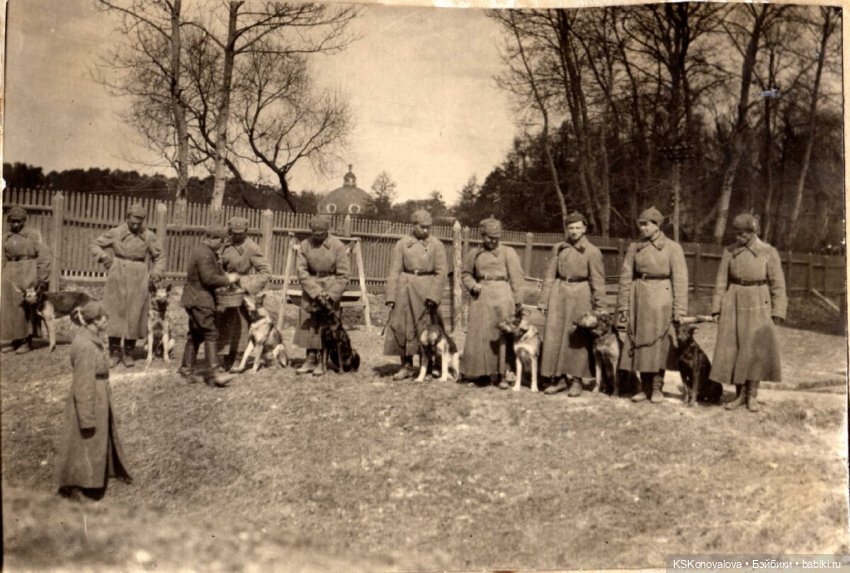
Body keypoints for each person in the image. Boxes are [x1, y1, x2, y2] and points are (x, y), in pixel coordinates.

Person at [56, 300, 132, 501]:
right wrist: (87, 416)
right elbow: (83, 383)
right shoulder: (85, 346)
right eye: (102, 317)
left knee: (95, 440)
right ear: (93, 320)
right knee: (86, 440)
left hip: (97, 393)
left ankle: (96, 476)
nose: (106, 320)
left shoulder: (90, 338)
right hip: (89, 396)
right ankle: (82, 485)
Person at [710, 213, 787, 413]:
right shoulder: (729, 252)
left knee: (755, 350)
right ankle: (739, 394)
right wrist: (717, 307)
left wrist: (778, 310)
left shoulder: (768, 252)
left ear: (753, 232)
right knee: (735, 349)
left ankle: (752, 395)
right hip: (733, 301)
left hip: (759, 301)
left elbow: (778, 284)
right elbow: (720, 282)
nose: (738, 237)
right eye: (735, 233)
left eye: (742, 233)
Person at [616, 207, 688, 403]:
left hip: (662, 298)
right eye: (640, 224)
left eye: (646, 224)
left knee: (659, 345)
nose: (642, 228)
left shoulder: (673, 248)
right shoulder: (634, 247)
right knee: (639, 342)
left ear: (657, 225)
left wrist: (679, 310)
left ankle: (657, 387)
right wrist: (623, 305)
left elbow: (680, 281)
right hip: (638, 297)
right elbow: (625, 277)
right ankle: (644, 386)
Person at [538, 212, 606, 396]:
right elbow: (550, 275)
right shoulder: (559, 248)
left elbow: (598, 281)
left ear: (584, 228)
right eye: (571, 228)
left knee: (577, 338)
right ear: (566, 229)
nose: (574, 231)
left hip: (581, 294)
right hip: (559, 293)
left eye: (578, 227)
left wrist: (600, 307)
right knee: (556, 335)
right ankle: (558, 378)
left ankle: (576, 379)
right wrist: (544, 300)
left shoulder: (592, 251)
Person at [91, 203, 165, 368]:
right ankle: (114, 352)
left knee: (135, 313)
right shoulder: (116, 232)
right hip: (117, 273)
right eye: (133, 222)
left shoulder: (148, 236)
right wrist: (104, 256)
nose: (136, 225)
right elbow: (95, 244)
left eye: (139, 222)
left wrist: (156, 272)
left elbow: (160, 257)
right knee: (115, 312)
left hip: (139, 275)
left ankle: (129, 353)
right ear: (127, 217)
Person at [383, 209, 448, 380]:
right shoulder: (402, 244)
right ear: (413, 226)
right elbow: (394, 271)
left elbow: (441, 273)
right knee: (403, 326)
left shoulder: (437, 245)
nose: (426, 231)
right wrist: (390, 295)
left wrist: (434, 296)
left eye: (428, 227)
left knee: (427, 329)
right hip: (404, 289)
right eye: (422, 227)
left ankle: (429, 366)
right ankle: (406, 365)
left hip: (427, 291)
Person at [461, 217, 524, 386]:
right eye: (489, 237)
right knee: (480, 335)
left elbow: (517, 278)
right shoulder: (474, 253)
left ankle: (504, 374)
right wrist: (473, 285)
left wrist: (518, 302)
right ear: (482, 235)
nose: (493, 241)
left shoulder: (508, 252)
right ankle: (481, 374)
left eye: (496, 237)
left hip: (503, 296)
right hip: (481, 297)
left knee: (503, 334)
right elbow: (466, 274)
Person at [179, 225, 239, 387]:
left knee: (195, 335)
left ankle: (186, 372)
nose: (221, 244)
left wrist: (223, 274)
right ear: (212, 239)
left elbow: (211, 274)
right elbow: (208, 279)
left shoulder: (202, 251)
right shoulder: (205, 253)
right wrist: (229, 279)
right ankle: (214, 374)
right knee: (211, 333)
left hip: (193, 298)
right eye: (220, 241)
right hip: (201, 300)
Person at [293, 216, 350, 377]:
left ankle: (322, 362)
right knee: (309, 322)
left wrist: (331, 295)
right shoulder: (305, 245)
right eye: (315, 233)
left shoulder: (337, 246)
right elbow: (301, 271)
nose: (317, 237)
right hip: (311, 287)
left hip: (331, 287)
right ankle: (310, 358)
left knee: (327, 326)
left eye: (321, 233)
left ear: (327, 231)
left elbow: (344, 275)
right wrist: (316, 292)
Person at [217, 216, 272, 370]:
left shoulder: (252, 247)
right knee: (224, 321)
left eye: (241, 233)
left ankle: (238, 357)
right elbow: (218, 264)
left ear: (246, 231)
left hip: (242, 290)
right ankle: (225, 356)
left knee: (240, 323)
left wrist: (248, 286)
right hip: (226, 288)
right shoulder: (225, 245)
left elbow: (266, 272)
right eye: (234, 232)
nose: (237, 236)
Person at [1, 206, 51, 353]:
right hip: (10, 271)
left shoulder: (33, 235)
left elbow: (44, 256)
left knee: (25, 306)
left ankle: (26, 340)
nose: (15, 224)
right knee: (9, 307)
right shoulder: (5, 237)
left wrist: (42, 278)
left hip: (28, 269)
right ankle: (13, 339)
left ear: (24, 221)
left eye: (18, 221)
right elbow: (2, 258)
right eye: (12, 221)